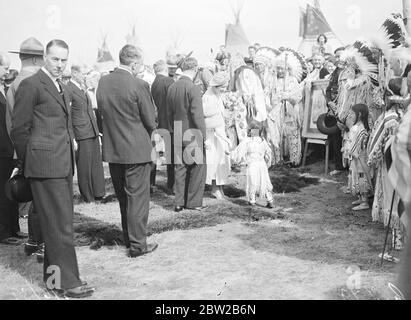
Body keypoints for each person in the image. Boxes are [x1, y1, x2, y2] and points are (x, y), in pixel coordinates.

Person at [11, 39, 95, 298]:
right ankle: (69, 282)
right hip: (45, 167)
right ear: (44, 58)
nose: (60, 65)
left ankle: (53, 281)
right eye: (55, 59)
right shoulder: (31, 85)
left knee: (56, 225)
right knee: (59, 226)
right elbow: (19, 130)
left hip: (60, 165)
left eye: (64, 60)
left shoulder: (61, 87)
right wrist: (28, 165)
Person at [97, 44, 158, 258]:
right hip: (137, 150)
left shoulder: (103, 82)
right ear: (133, 63)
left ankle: (128, 237)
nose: (140, 69)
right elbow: (150, 121)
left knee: (124, 197)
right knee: (138, 199)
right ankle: (138, 244)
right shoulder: (139, 84)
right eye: (140, 65)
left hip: (114, 149)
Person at [6, 37, 45, 258]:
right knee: (42, 199)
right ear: (36, 59)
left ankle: (33, 240)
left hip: (21, 149)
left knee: (35, 199)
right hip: (35, 151)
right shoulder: (32, 82)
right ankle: (40, 242)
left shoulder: (15, 83)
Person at [166, 56, 207, 212]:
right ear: (195, 69)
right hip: (193, 132)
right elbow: (197, 115)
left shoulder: (172, 87)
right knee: (197, 168)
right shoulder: (193, 88)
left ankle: (178, 202)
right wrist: (204, 136)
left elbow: (169, 113)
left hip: (177, 131)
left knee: (180, 168)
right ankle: (193, 202)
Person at [67, 64, 105, 203]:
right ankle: (88, 195)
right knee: (84, 165)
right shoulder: (69, 89)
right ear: (75, 73)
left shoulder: (82, 88)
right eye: (83, 73)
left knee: (95, 163)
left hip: (92, 130)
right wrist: (73, 137)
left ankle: (99, 192)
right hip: (81, 132)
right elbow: (69, 115)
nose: (85, 76)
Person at [0, 52, 20, 245]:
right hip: (2, 151)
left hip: (8, 150)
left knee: (10, 191)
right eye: (4, 68)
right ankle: (3, 232)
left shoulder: (3, 90)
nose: (7, 71)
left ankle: (13, 228)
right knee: (2, 193)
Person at [231, 120, 274, 208]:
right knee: (264, 182)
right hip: (262, 165)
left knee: (252, 182)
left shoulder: (247, 141)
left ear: (250, 130)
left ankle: (252, 201)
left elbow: (239, 152)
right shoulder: (263, 141)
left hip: (252, 164)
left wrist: (234, 158)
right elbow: (269, 152)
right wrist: (267, 161)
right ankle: (270, 200)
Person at [203, 72, 231, 199]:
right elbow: (207, 118)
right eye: (222, 87)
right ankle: (214, 187)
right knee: (214, 160)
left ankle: (220, 186)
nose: (224, 89)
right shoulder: (208, 97)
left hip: (220, 131)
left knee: (222, 159)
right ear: (215, 86)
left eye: (225, 86)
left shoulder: (217, 95)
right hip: (212, 134)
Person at [151, 60, 175, 192]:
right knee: (173, 157)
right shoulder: (168, 81)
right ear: (165, 69)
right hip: (171, 123)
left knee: (163, 155)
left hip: (161, 121)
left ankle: (156, 183)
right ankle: (172, 184)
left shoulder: (155, 83)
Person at [345, 104, 372, 211]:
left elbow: (356, 144)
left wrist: (349, 151)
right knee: (356, 175)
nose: (350, 115)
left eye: (352, 113)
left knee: (362, 176)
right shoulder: (358, 127)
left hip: (360, 157)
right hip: (356, 157)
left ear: (359, 114)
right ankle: (361, 198)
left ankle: (365, 201)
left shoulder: (358, 128)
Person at [326, 47, 346, 176]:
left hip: (347, 109)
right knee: (336, 138)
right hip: (334, 110)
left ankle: (349, 167)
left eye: (340, 56)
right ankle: (338, 166)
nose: (338, 59)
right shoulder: (335, 72)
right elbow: (328, 89)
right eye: (336, 57)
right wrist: (329, 102)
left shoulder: (351, 71)